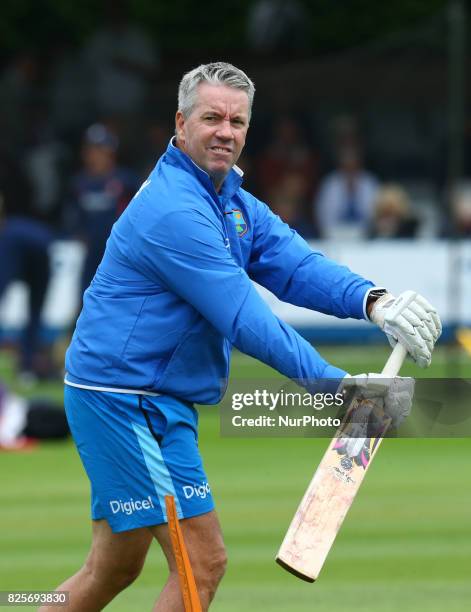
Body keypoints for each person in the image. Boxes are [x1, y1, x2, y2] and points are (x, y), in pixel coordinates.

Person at [42, 63, 441, 612]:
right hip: (127, 404)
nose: (225, 131)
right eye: (212, 118)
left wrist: (375, 300)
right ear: (180, 124)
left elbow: (291, 262)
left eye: (237, 121)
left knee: (112, 568)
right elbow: (244, 317)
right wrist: (335, 388)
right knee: (201, 564)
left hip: (157, 400)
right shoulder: (175, 210)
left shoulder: (227, 197)